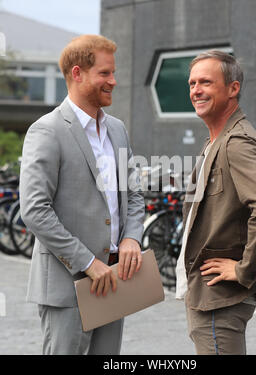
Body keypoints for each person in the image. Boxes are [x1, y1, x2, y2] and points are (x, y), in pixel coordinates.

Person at [20, 34, 145, 355]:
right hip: (67, 286)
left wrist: (132, 237)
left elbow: (132, 194)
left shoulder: (117, 129)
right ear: (77, 73)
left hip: (114, 279)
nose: (114, 81)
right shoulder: (47, 130)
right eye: (105, 73)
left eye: (113, 73)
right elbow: (35, 210)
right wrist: (88, 262)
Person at [176, 50, 256, 355]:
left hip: (220, 300)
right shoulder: (216, 140)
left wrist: (244, 269)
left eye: (206, 82)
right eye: (192, 83)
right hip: (209, 297)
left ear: (233, 89)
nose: (196, 90)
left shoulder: (236, 141)